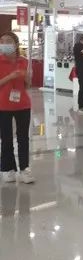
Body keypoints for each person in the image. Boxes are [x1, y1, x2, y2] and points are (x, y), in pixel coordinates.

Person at [0, 32, 34, 184]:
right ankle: (7, 169)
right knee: (6, 138)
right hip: (3, 105)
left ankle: (24, 169)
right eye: (2, 41)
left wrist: (27, 77)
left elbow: (28, 86)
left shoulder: (24, 62)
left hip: (22, 104)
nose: (4, 44)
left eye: (8, 41)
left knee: (23, 138)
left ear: (16, 44)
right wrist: (10, 77)